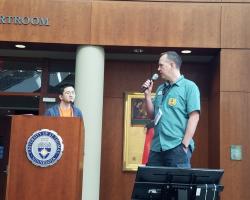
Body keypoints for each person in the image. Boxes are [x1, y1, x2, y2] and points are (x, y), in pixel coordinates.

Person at [142, 51, 200, 168]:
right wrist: (147, 96)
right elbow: (152, 115)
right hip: (156, 147)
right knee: (153, 184)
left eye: (161, 65)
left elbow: (194, 117)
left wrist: (184, 145)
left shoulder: (189, 87)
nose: (158, 68)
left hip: (177, 146)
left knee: (178, 186)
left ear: (172, 65)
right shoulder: (160, 89)